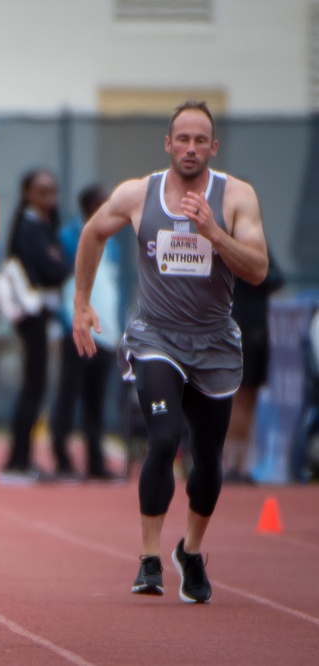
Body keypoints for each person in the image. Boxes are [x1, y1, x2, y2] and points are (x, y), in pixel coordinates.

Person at [72, 101, 268, 604]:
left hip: (215, 344)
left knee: (206, 459)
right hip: (157, 338)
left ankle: (192, 551)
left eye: (200, 140)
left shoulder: (236, 196)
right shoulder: (139, 193)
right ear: (168, 143)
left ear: (213, 148)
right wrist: (81, 304)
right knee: (162, 439)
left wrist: (214, 233)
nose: (190, 148)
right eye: (182, 138)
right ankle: (148, 559)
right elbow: (93, 232)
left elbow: (258, 269)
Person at [0, 168, 72, 484]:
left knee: (37, 385)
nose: (50, 197)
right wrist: (55, 262)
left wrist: (56, 262)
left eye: (53, 190)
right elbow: (52, 268)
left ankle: (21, 457)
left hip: (44, 312)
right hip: (31, 313)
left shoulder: (44, 226)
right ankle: (17, 460)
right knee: (34, 385)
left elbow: (60, 266)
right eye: (42, 191)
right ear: (28, 194)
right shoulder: (28, 228)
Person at [48, 184, 122, 481]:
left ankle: (95, 460)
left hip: (106, 332)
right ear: (93, 206)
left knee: (96, 398)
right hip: (76, 329)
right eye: (108, 203)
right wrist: (62, 322)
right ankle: (62, 458)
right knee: (68, 395)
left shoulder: (113, 242)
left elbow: (111, 287)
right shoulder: (68, 237)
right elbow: (58, 283)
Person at [223, 250, 283, 483]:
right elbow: (265, 276)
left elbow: (276, 277)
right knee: (238, 397)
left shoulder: (259, 244)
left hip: (258, 330)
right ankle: (231, 464)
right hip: (241, 330)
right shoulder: (234, 246)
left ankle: (242, 464)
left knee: (250, 397)